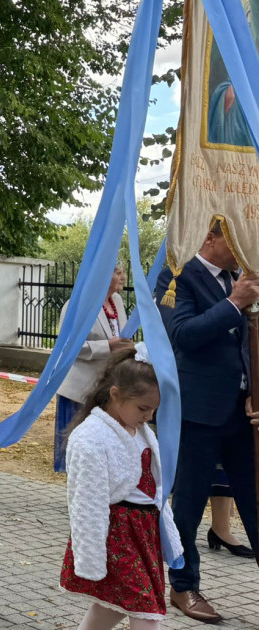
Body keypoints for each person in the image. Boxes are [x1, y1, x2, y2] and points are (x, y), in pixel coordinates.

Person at [157, 220, 259, 624]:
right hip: (197, 413)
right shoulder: (177, 277)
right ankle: (183, 586)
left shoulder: (239, 277)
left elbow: (245, 344)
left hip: (241, 412)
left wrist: (252, 387)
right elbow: (182, 335)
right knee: (189, 504)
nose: (246, 250)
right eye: (238, 242)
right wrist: (234, 303)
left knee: (253, 498)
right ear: (210, 239)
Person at [60, 347, 181, 630]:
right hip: (117, 535)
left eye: (153, 409)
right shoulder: (90, 438)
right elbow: (86, 503)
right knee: (145, 609)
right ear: (115, 394)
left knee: (111, 606)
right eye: (142, 408)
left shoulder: (140, 431)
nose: (149, 416)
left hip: (142, 531)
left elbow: (156, 486)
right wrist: (90, 555)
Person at [55, 264, 131, 473]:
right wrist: (107, 346)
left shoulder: (117, 302)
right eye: (118, 272)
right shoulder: (77, 304)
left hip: (108, 388)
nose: (123, 277)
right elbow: (67, 346)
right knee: (81, 448)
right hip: (79, 392)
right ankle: (80, 496)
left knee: (104, 448)